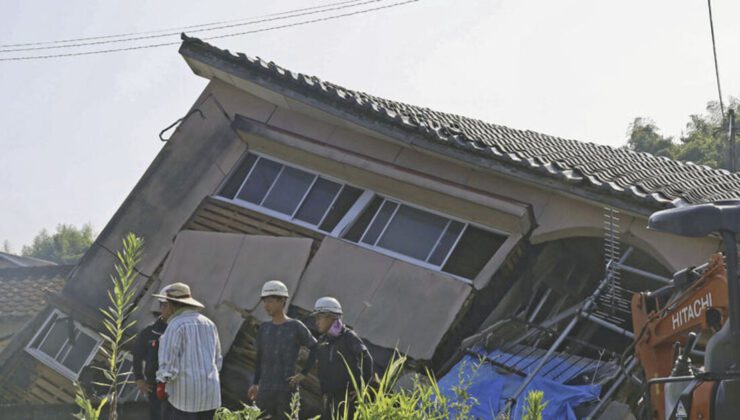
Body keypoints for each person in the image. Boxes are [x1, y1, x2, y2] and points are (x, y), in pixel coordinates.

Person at [248, 280, 317, 419]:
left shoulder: (295, 326)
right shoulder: (264, 328)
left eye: (270, 301)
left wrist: (303, 373)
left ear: (282, 301)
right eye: (264, 301)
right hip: (265, 390)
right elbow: (260, 358)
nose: (266, 305)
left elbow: (315, 347)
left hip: (287, 391)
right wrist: (255, 383)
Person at [154, 282, 222, 420]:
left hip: (185, 397)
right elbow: (218, 360)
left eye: (163, 304)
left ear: (172, 305)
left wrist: (161, 383)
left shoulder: (175, 325)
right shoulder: (209, 323)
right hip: (210, 394)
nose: (161, 310)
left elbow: (168, 367)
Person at [310, 297, 373, 420]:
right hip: (330, 398)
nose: (316, 321)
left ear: (331, 317)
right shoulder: (323, 341)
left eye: (319, 317)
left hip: (348, 399)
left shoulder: (348, 337)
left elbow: (366, 359)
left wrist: (362, 387)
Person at [132, 289, 169, 420]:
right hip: (154, 386)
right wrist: (139, 379)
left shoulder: (182, 330)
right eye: (164, 305)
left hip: (175, 388)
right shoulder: (149, 331)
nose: (166, 308)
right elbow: (137, 356)